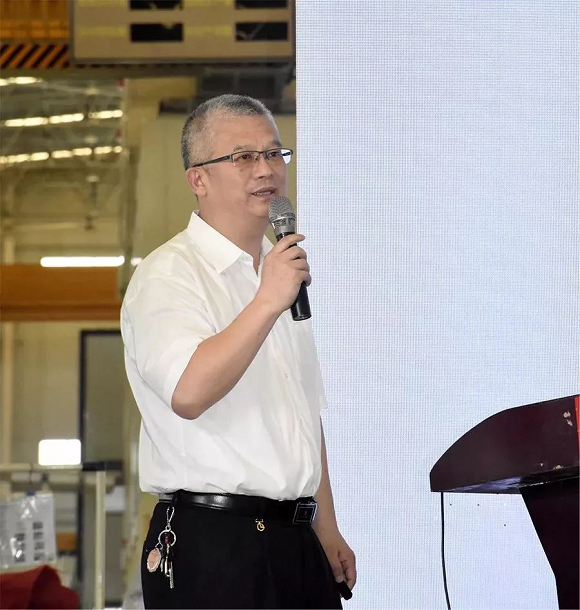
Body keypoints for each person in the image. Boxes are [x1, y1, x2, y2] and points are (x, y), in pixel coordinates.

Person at [121, 94, 356, 609]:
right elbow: (188, 392)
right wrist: (267, 301)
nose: (265, 169)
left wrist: (326, 526)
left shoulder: (276, 271)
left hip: (296, 539)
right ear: (198, 179)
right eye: (243, 156)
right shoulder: (169, 274)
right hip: (214, 540)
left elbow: (302, 415)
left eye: (273, 153)